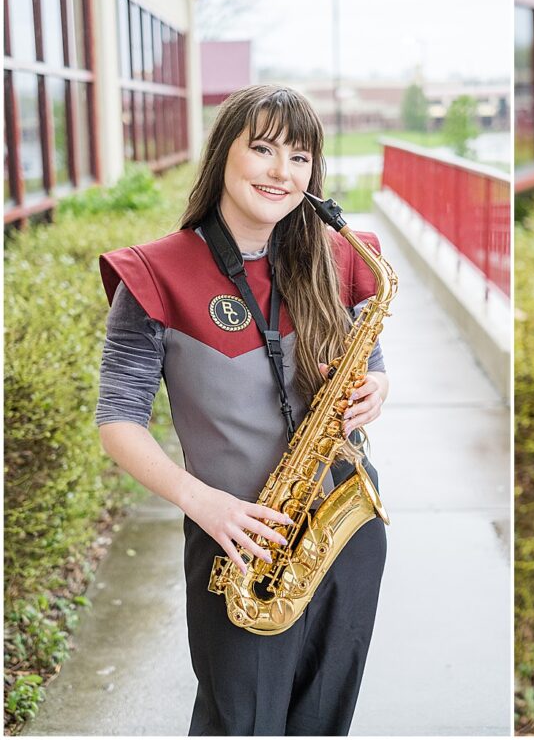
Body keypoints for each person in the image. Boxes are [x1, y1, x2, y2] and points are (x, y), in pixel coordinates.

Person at [95, 85, 388, 735]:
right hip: (237, 538)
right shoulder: (155, 273)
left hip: (343, 527)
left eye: (300, 156)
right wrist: (205, 503)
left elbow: (370, 350)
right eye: (262, 149)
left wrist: (377, 385)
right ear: (222, 154)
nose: (282, 172)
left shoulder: (337, 255)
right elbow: (118, 420)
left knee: (323, 720)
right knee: (240, 724)